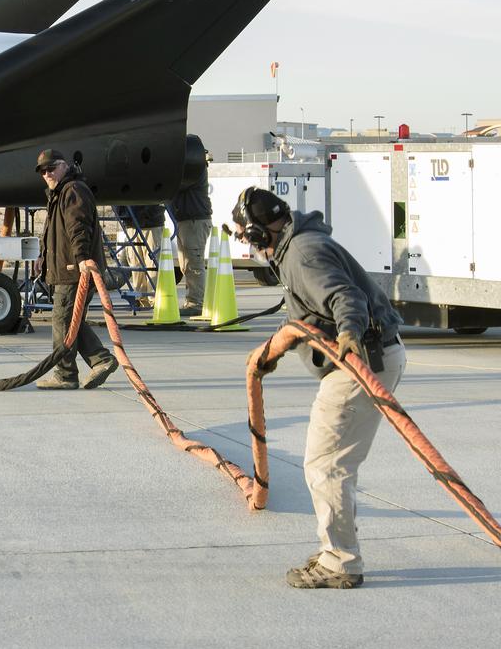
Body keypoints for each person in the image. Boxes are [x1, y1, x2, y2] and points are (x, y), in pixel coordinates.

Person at [233, 187, 405, 589]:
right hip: (362, 359)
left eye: (244, 234)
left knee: (326, 464)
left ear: (260, 233)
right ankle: (335, 548)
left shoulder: (302, 254)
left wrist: (348, 331)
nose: (245, 243)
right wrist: (272, 349)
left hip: (358, 362)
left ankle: (340, 562)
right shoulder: (299, 247)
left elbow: (344, 297)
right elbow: (307, 313)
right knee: (329, 463)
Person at [33, 149, 119, 390]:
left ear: (64, 166)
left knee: (63, 320)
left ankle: (65, 374)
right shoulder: (59, 193)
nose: (47, 173)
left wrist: (82, 259)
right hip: (66, 268)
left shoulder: (73, 191)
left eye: (51, 168)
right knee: (72, 321)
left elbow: (78, 227)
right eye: (43, 170)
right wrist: (43, 256)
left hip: (75, 271)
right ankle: (101, 360)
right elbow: (53, 230)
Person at [169, 165, 213, 317]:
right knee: (186, 265)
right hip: (187, 220)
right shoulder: (191, 168)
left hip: (194, 221)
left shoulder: (193, 170)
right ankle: (193, 301)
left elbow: (176, 185)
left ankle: (196, 303)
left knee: (193, 264)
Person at [114, 203, 166, 309]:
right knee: (135, 265)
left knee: (152, 264)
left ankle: (155, 300)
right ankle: (141, 300)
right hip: (131, 221)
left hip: (151, 223)